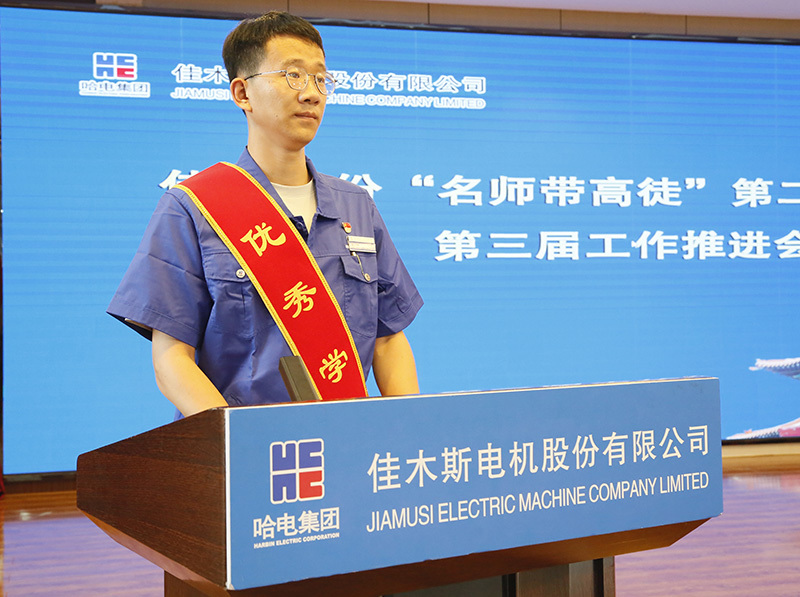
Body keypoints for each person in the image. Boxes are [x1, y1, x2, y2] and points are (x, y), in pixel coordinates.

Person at [108, 11, 423, 417]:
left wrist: (407, 428)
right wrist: (242, 442)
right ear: (242, 93)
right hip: (244, 445)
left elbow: (388, 339)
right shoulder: (194, 207)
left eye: (320, 78)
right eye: (293, 75)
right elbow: (172, 360)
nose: (312, 94)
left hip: (345, 440)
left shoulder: (356, 205)